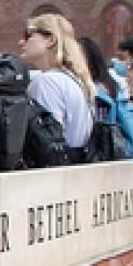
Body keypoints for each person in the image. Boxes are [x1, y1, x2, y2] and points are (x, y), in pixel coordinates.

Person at [19, 13, 95, 162]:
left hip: (57, 175)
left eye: (28, 35)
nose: (21, 42)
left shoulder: (47, 82)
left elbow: (48, 141)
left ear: (51, 40)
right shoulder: (75, 80)